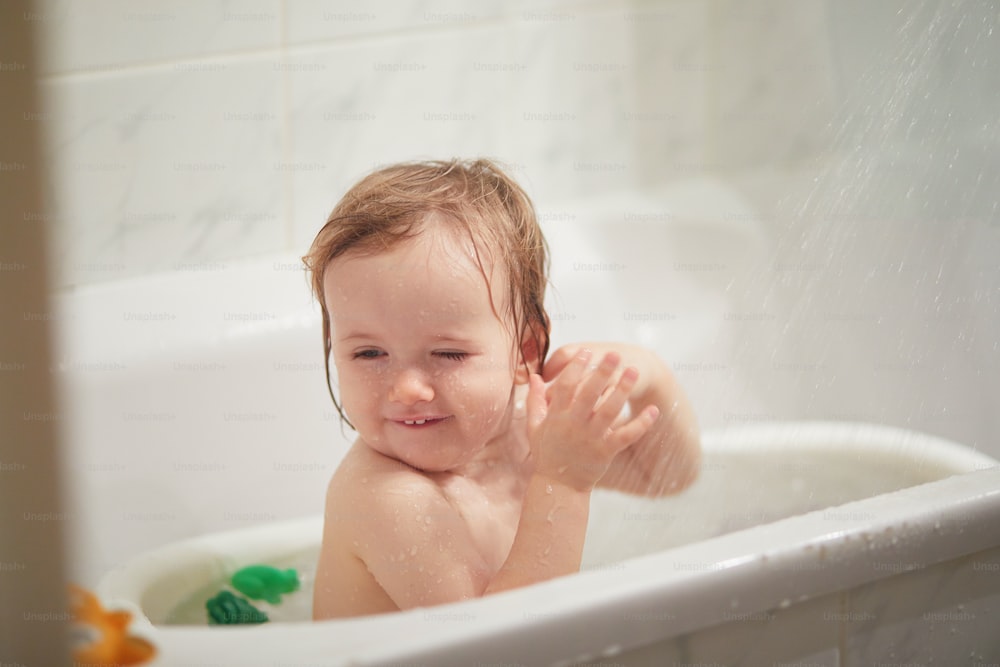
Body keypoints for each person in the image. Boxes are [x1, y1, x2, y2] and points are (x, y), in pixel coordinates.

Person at [302, 158, 700, 619]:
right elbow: (501, 650)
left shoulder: (524, 437)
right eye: (368, 354)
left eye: (448, 354)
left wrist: (651, 377)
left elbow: (668, 477)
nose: (407, 388)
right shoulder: (386, 497)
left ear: (525, 351)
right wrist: (562, 483)